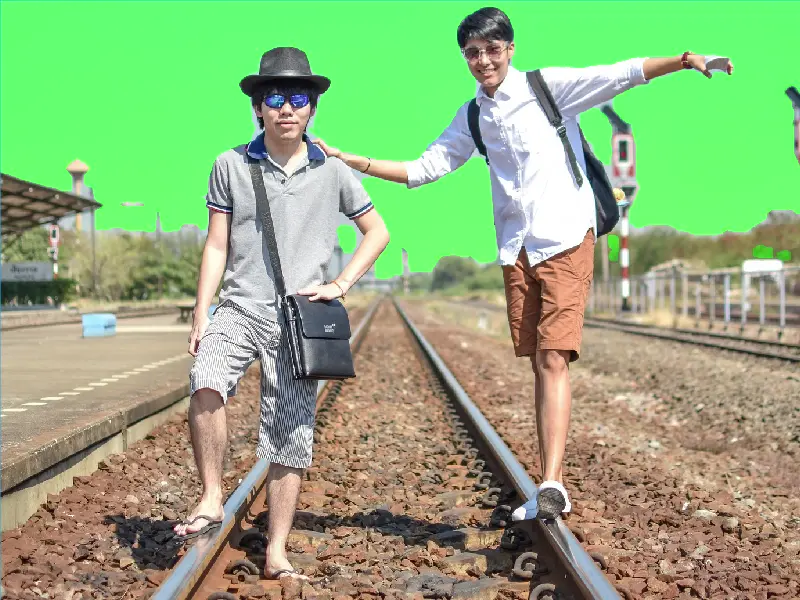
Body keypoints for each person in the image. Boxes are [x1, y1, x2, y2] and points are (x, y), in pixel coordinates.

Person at [312, 7, 733, 521]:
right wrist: (350, 159)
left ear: (510, 49)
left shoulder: (547, 88)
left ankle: (552, 484)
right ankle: (547, 481)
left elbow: (622, 74)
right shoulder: (474, 116)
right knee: (539, 360)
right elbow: (424, 169)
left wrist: (685, 60)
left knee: (554, 358)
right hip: (517, 249)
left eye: (493, 49)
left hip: (566, 238)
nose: (483, 60)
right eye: (473, 53)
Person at [173, 47, 390, 580]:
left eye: (297, 98)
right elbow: (217, 244)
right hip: (240, 307)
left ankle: (276, 552)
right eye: (274, 98)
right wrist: (201, 312)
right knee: (205, 379)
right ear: (258, 107)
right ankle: (211, 496)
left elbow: (377, 232)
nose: (286, 108)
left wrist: (340, 285)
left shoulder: (333, 170)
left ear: (312, 108)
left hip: (300, 317)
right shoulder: (230, 164)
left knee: (290, 432)